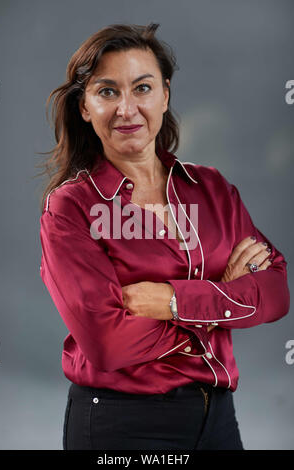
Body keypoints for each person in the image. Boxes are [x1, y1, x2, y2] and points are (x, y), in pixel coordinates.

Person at [38, 23, 290, 450]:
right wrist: (223, 295)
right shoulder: (71, 208)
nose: (127, 108)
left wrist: (174, 301)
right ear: (84, 107)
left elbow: (277, 291)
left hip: (218, 418)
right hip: (122, 423)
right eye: (107, 92)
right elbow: (107, 344)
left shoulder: (211, 189)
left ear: (165, 94)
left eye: (142, 88)